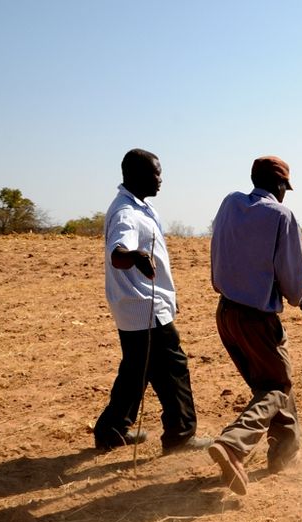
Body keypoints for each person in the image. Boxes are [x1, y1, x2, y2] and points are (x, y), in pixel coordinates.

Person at [207, 156, 302, 495]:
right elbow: (293, 282)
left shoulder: (229, 203)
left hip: (226, 313)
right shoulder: (282, 216)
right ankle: (234, 444)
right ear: (281, 187)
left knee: (271, 382)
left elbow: (216, 250)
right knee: (276, 386)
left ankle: (284, 451)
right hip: (257, 318)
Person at [95, 149, 209, 455]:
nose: (161, 179)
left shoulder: (140, 207)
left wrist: (168, 299)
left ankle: (111, 430)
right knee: (173, 368)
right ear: (134, 174)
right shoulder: (126, 214)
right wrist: (134, 256)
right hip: (143, 306)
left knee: (137, 370)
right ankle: (180, 436)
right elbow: (118, 253)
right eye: (156, 173)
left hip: (146, 305)